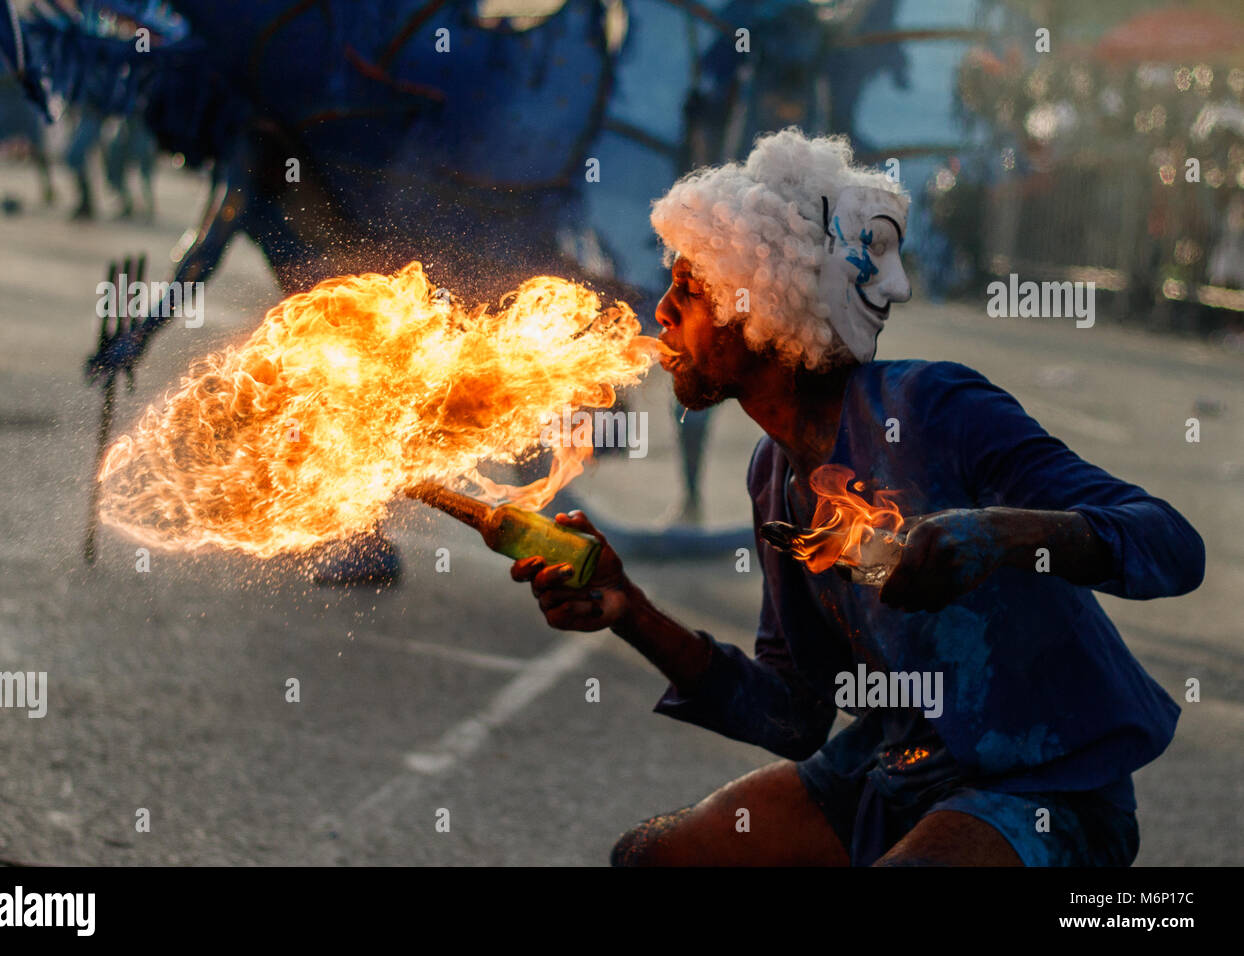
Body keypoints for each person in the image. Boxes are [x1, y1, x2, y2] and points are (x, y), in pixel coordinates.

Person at [511, 128, 1204, 866]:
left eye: (688, 289)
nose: (661, 312)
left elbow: (1168, 542)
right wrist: (629, 609)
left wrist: (999, 535)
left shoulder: (935, 407)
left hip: (1044, 791)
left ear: (763, 310)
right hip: (890, 778)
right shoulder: (771, 474)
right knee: (654, 858)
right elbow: (793, 712)